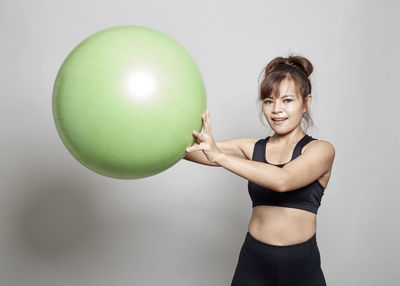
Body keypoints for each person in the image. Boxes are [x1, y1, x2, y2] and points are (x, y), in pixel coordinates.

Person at [184, 54, 335, 286]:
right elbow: (190, 150)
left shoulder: (321, 150)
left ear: (306, 103)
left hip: (301, 270)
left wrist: (220, 155)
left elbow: (283, 180)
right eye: (268, 101)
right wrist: (159, 135)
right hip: (253, 265)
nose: (276, 109)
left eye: (287, 100)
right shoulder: (252, 147)